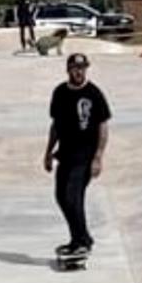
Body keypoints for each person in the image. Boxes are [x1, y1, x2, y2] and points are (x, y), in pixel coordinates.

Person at [44, 52, 110, 260]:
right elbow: (55, 125)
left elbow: (103, 126)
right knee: (61, 197)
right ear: (68, 70)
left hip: (85, 156)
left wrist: (98, 157)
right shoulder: (60, 93)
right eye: (75, 68)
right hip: (64, 154)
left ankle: (82, 241)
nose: (79, 72)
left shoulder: (94, 93)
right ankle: (79, 239)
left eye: (82, 68)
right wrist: (47, 152)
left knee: (74, 197)